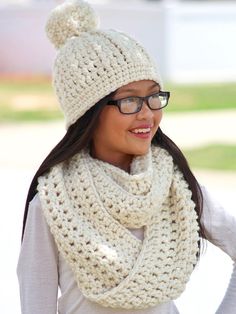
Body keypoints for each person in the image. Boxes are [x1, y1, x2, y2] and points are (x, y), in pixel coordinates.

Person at [17, 0, 236, 313]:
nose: (147, 114)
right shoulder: (54, 202)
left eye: (153, 96)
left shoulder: (174, 188)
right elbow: (35, 304)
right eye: (130, 100)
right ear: (88, 113)